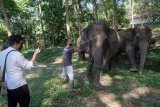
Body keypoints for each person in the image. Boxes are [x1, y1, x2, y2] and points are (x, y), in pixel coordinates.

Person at [0, 35, 41, 107]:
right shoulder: (17, 55)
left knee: (12, 105)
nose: (21, 45)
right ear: (15, 44)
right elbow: (29, 66)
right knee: (24, 104)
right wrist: (35, 54)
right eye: (21, 43)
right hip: (20, 86)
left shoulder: (1, 54)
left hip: (8, 86)